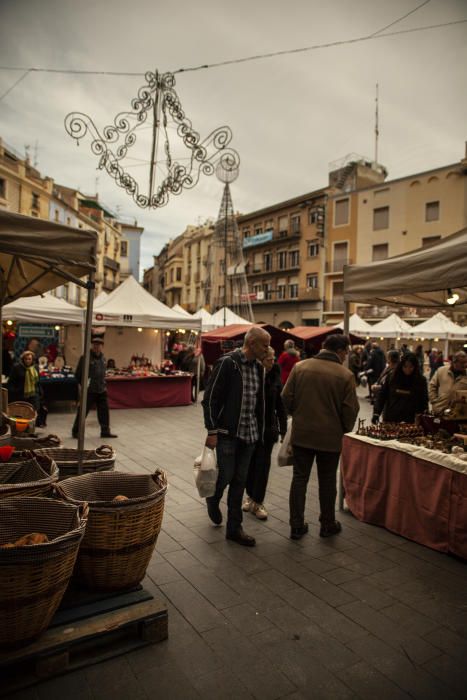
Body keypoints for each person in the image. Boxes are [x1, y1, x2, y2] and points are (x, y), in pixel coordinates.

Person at [281, 334, 359, 540]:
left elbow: (285, 396)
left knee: (299, 479)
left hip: (303, 434)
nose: (346, 357)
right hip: (330, 438)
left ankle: (296, 525)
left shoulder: (301, 367)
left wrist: (297, 414)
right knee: (327, 481)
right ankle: (327, 524)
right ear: (341, 351)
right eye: (346, 353)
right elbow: (350, 411)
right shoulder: (345, 375)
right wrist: (342, 427)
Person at [201, 326, 270, 546]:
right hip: (227, 433)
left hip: (249, 435)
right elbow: (210, 398)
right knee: (226, 476)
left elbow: (259, 402)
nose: (268, 349)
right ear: (252, 343)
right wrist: (212, 430)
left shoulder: (259, 368)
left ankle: (234, 528)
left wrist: (263, 431)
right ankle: (213, 497)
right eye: (265, 345)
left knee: (240, 481)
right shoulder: (228, 363)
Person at [243, 346, 287, 520]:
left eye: (274, 359)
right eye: (269, 359)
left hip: (268, 430)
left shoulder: (275, 375)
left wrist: (283, 429)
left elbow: (280, 405)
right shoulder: (252, 374)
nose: (273, 362)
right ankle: (250, 497)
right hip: (250, 429)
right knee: (250, 466)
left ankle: (258, 502)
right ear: (261, 360)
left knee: (263, 466)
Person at [72, 337, 117, 439]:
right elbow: (78, 374)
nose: (97, 347)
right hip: (89, 390)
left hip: (101, 389)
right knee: (83, 412)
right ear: (92, 346)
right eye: (95, 345)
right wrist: (85, 385)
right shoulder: (85, 358)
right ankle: (76, 431)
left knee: (104, 412)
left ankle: (105, 431)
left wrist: (103, 383)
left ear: (102, 347)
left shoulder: (103, 358)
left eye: (99, 345)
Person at [373, 352, 428, 424]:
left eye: (411, 367)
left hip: (410, 420)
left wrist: (422, 418)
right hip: (390, 418)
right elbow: (382, 395)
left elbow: (423, 400)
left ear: (415, 367)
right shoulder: (392, 377)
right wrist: (376, 413)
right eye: (405, 366)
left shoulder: (420, 380)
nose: (408, 369)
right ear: (401, 366)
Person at [429, 350, 467, 416]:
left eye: (466, 362)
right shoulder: (441, 371)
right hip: (439, 410)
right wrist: (434, 400)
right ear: (454, 362)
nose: (465, 365)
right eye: (462, 363)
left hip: (458, 414)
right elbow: (432, 386)